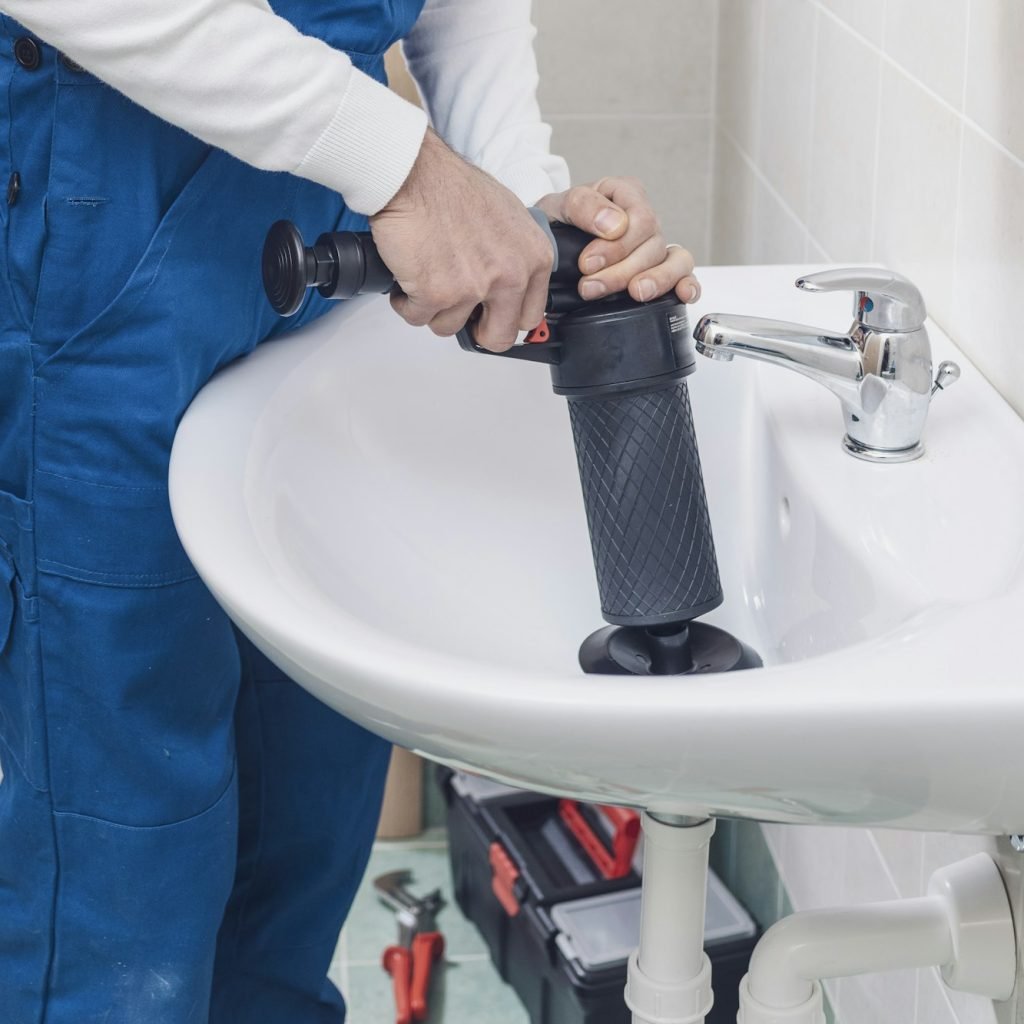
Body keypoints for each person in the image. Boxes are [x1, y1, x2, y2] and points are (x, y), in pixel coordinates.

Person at [0, 1, 701, 1020]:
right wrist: (412, 170)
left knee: (301, 834)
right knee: (121, 883)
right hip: (114, 231)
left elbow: (465, 13)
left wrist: (519, 202)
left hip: (322, 235)